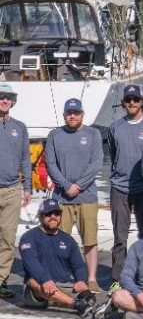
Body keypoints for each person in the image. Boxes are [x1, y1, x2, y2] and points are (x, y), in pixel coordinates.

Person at [44, 98, 104, 291]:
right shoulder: (54, 134)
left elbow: (96, 163)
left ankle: (92, 279)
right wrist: (66, 185)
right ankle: (61, 276)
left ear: (82, 115)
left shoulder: (93, 133)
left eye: (76, 112)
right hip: (62, 198)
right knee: (59, 239)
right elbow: (50, 164)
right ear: (64, 115)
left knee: (90, 240)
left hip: (87, 197)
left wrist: (78, 186)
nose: (72, 116)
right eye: (69, 113)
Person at [106, 84, 143, 284]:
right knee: (120, 237)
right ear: (123, 103)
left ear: (142, 102)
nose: (132, 103)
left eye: (136, 99)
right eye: (129, 100)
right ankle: (117, 278)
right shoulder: (115, 127)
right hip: (119, 188)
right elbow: (113, 154)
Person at [19, 198, 94, 316]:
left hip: (61, 285)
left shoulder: (67, 239)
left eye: (56, 213)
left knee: (88, 297)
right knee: (32, 281)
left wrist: (80, 280)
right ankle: (76, 304)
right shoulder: (28, 237)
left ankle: (68, 301)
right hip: (38, 289)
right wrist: (44, 279)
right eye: (48, 214)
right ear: (40, 216)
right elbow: (31, 263)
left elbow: (78, 264)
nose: (53, 216)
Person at [0, 82, 30, 299]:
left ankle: (1, 281)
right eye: (1, 96)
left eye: (8, 97)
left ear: (13, 101)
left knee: (8, 238)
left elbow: (25, 159)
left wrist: (27, 186)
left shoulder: (19, 127)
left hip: (12, 190)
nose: (4, 100)